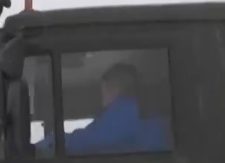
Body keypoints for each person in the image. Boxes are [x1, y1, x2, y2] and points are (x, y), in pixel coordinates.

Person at [37, 63, 170, 156]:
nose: (102, 95)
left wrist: (51, 142)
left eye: (102, 90)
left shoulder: (125, 110)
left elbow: (92, 139)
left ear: (111, 87)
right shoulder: (139, 110)